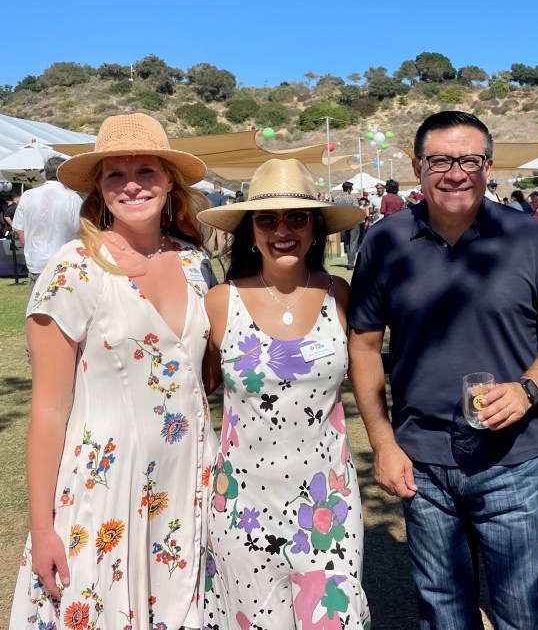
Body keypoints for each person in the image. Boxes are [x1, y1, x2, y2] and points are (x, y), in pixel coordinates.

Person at [348, 111, 538, 630]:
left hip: (510, 461)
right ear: (417, 167)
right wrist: (382, 444)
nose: (455, 173)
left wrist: (528, 388)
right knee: (444, 615)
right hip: (421, 465)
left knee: (524, 615)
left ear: (488, 168)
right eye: (440, 161)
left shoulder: (528, 237)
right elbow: (363, 345)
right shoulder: (385, 241)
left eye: (469, 160)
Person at [9, 112, 218, 630]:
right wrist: (42, 529)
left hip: (192, 483)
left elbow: (203, 378)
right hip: (107, 493)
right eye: (115, 175)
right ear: (99, 190)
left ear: (170, 181)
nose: (131, 185)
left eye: (146, 170)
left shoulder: (196, 263)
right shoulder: (75, 267)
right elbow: (48, 410)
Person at [198, 159, 369, 629]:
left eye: (296, 217)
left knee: (332, 620)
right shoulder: (220, 302)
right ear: (250, 232)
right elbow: (197, 388)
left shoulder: (340, 295)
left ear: (315, 227)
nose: (282, 230)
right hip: (243, 508)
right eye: (267, 219)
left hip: (328, 504)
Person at [11, 156, 83, 299]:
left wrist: (31, 247)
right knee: (63, 308)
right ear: (63, 173)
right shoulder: (73, 198)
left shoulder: (27, 195)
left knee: (37, 307)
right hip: (64, 263)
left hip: (36, 263)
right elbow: (81, 232)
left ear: (45, 173)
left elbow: (18, 229)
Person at [334, 181, 361, 269]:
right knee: (353, 242)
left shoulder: (337, 198)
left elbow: (336, 210)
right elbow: (357, 208)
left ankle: (349, 261)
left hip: (344, 222)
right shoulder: (352, 198)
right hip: (353, 221)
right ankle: (350, 263)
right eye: (351, 188)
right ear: (349, 189)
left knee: (347, 242)